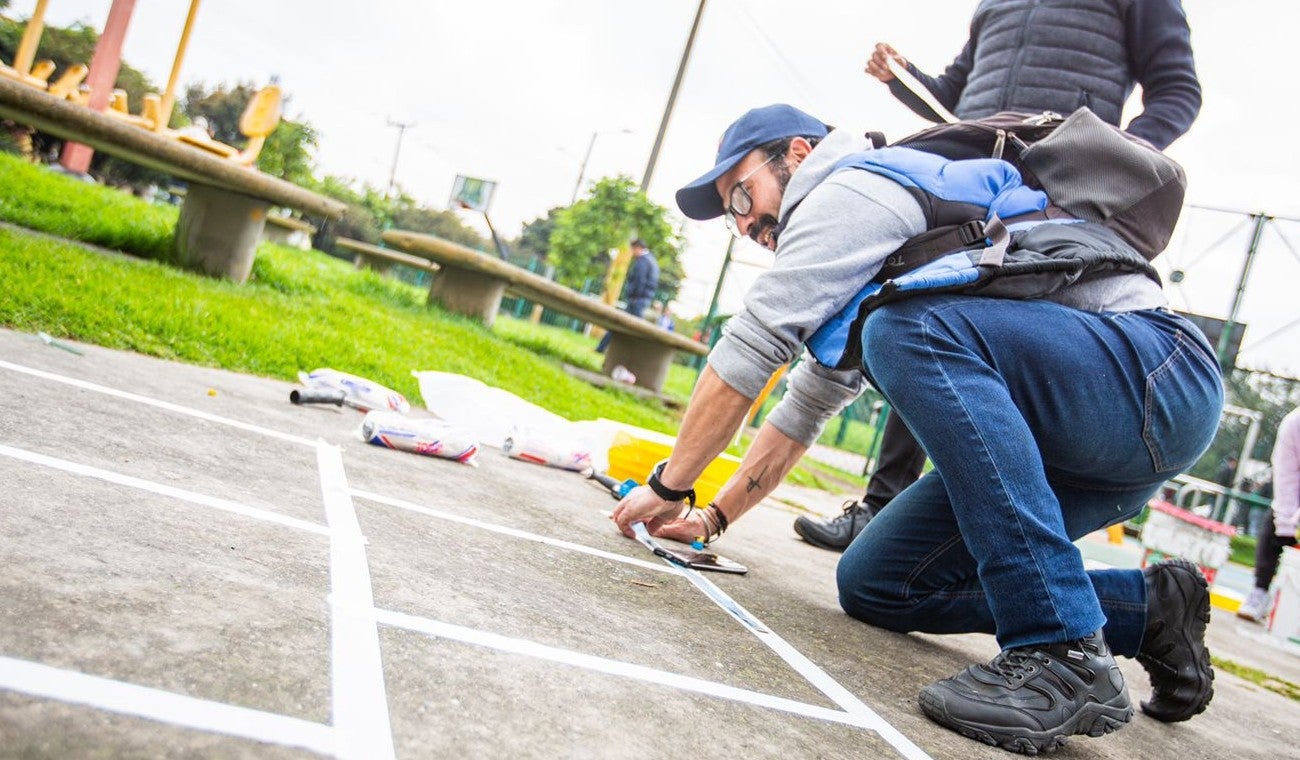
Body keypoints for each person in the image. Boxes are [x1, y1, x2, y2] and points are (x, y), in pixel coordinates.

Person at [611, 104, 1222, 753]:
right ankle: (1151, 608)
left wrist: (670, 485)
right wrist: (709, 519)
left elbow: (752, 345)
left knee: (906, 331)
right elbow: (800, 411)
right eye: (733, 216)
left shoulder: (849, 187)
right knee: (879, 582)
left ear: (796, 154)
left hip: (1155, 377)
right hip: (1081, 444)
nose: (746, 222)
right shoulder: (865, 260)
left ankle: (1060, 650)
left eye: (741, 193)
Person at [797, 0, 1204, 552]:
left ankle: (1008, 532)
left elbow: (1179, 91)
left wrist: (1114, 155)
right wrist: (904, 77)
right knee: (919, 313)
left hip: (1059, 190)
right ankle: (881, 504)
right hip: (980, 171)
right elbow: (955, 91)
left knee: (1007, 345)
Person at [1237, 408, 1300, 622]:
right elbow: (1286, 475)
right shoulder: (1294, 424)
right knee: (1273, 526)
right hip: (1294, 496)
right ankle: (1259, 593)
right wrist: (1286, 525)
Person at [596, 238, 659, 353]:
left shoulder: (643, 261)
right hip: (643, 299)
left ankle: (603, 349)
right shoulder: (652, 261)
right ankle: (602, 348)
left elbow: (639, 281)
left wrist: (633, 296)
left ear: (638, 248)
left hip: (637, 300)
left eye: (633, 250)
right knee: (626, 326)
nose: (632, 253)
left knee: (621, 325)